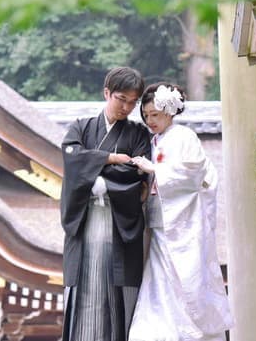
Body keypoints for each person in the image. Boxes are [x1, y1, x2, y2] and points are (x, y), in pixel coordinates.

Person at [128, 82, 234, 341]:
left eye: (155, 114)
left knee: (186, 281)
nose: (149, 120)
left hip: (182, 225)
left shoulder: (184, 137)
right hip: (160, 225)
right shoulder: (154, 141)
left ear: (169, 112)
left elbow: (195, 174)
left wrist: (155, 170)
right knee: (158, 283)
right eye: (146, 115)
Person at [60, 66, 152, 341]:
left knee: (117, 294)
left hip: (118, 222)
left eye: (132, 102)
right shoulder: (81, 126)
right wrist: (110, 159)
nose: (126, 107)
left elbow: (136, 172)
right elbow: (71, 158)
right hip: (86, 221)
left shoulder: (138, 134)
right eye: (121, 98)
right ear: (106, 93)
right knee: (84, 291)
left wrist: (93, 173)